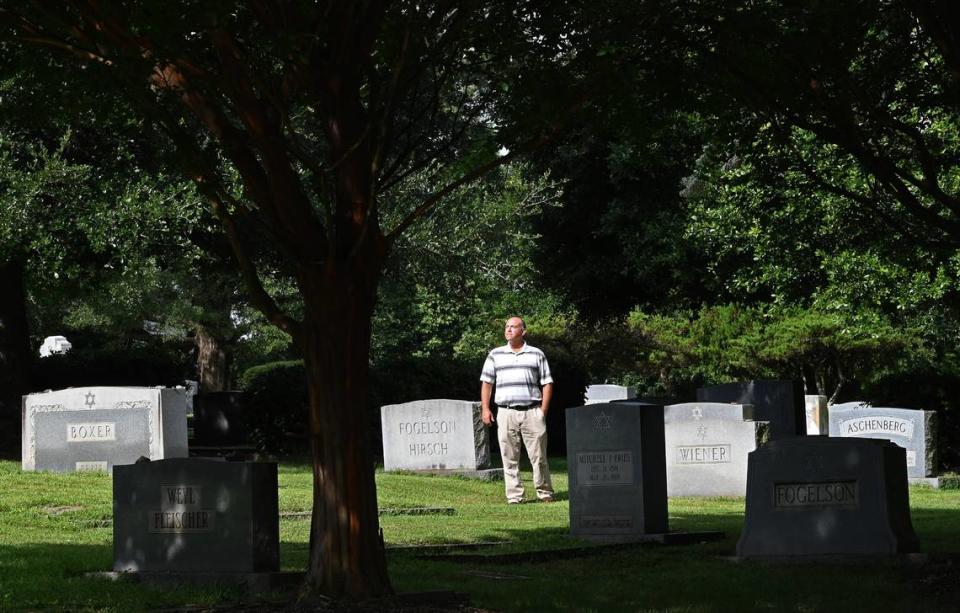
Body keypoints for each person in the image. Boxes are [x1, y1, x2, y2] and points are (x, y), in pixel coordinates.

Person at [480, 316, 554, 504]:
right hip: (505, 411)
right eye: (507, 327)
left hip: (532, 411)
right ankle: (515, 496)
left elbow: (547, 383)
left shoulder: (537, 354)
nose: (509, 330)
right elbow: (487, 383)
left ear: (523, 331)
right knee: (509, 456)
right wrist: (486, 408)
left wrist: (542, 411)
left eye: (513, 327)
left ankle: (544, 493)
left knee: (539, 457)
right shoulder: (495, 354)